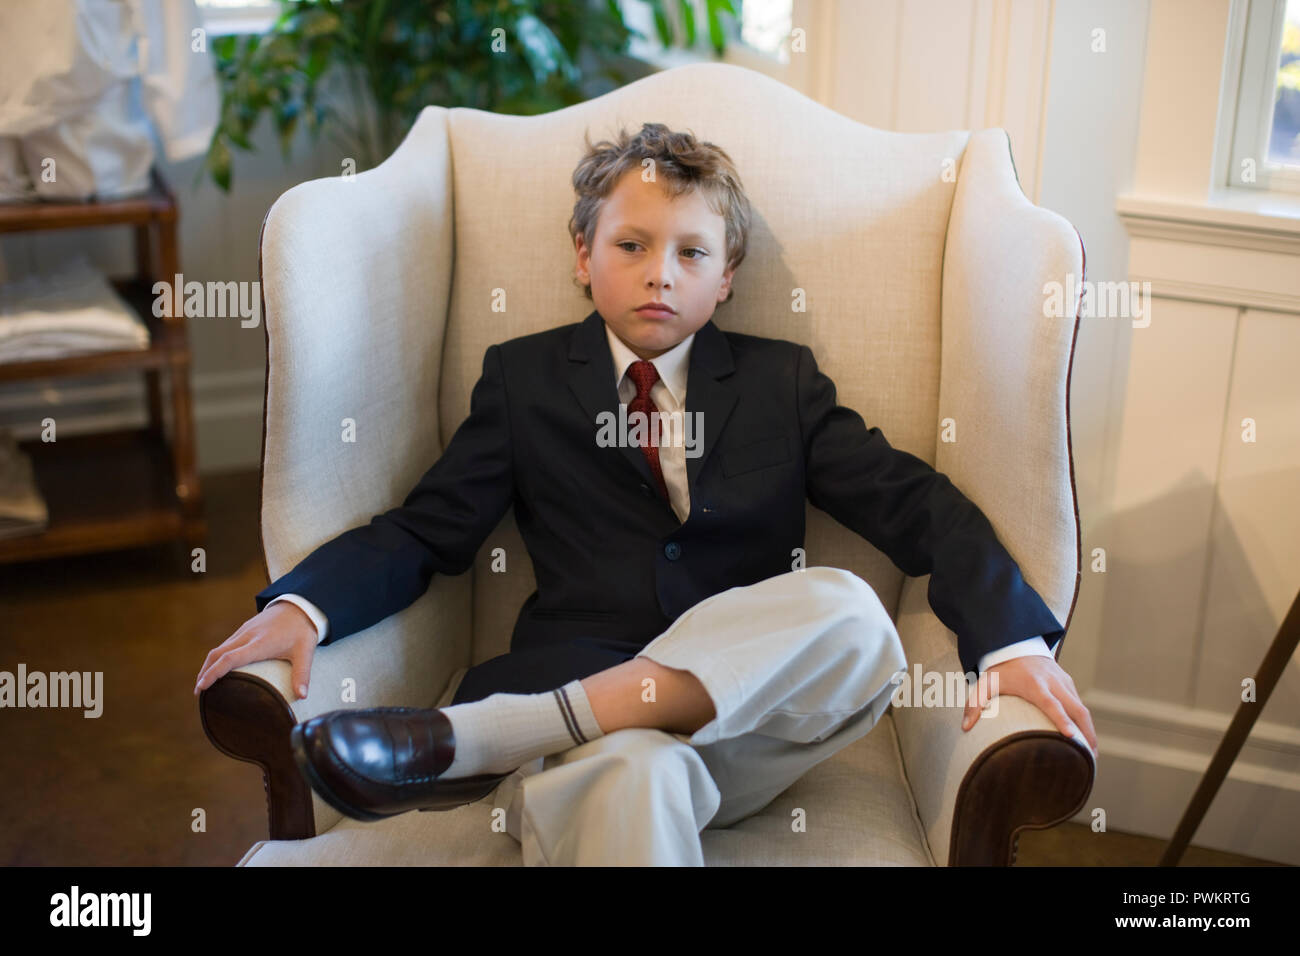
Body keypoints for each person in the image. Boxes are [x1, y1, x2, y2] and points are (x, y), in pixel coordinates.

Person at [195, 122, 1096, 865]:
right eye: (631, 245)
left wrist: (1012, 642)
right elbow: (430, 530)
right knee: (639, 777)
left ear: (726, 276)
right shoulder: (527, 380)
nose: (661, 271)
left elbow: (917, 507)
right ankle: (550, 731)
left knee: (854, 614)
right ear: (583, 255)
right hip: (591, 728)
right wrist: (307, 604)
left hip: (742, 725)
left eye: (691, 251)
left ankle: (479, 739)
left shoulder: (782, 385)